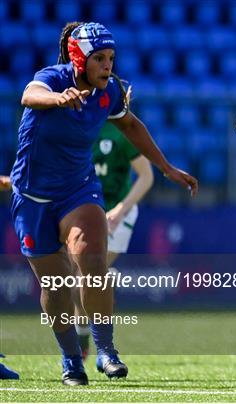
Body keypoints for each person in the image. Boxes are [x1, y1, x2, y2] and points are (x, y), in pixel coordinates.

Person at [10, 21, 197, 386]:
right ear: (79, 58)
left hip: (79, 191)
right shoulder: (53, 78)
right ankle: (70, 361)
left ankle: (106, 351)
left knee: (93, 261)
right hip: (32, 197)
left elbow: (130, 125)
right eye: (99, 58)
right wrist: (57, 98)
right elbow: (29, 95)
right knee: (56, 288)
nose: (107, 65)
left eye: (111, 58)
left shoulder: (108, 92)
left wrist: (166, 167)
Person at [73, 86, 154, 359]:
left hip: (117, 214)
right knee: (81, 279)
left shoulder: (123, 131)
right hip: (86, 211)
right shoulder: (78, 126)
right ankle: (85, 340)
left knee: (89, 276)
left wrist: (121, 209)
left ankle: (101, 349)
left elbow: (146, 177)